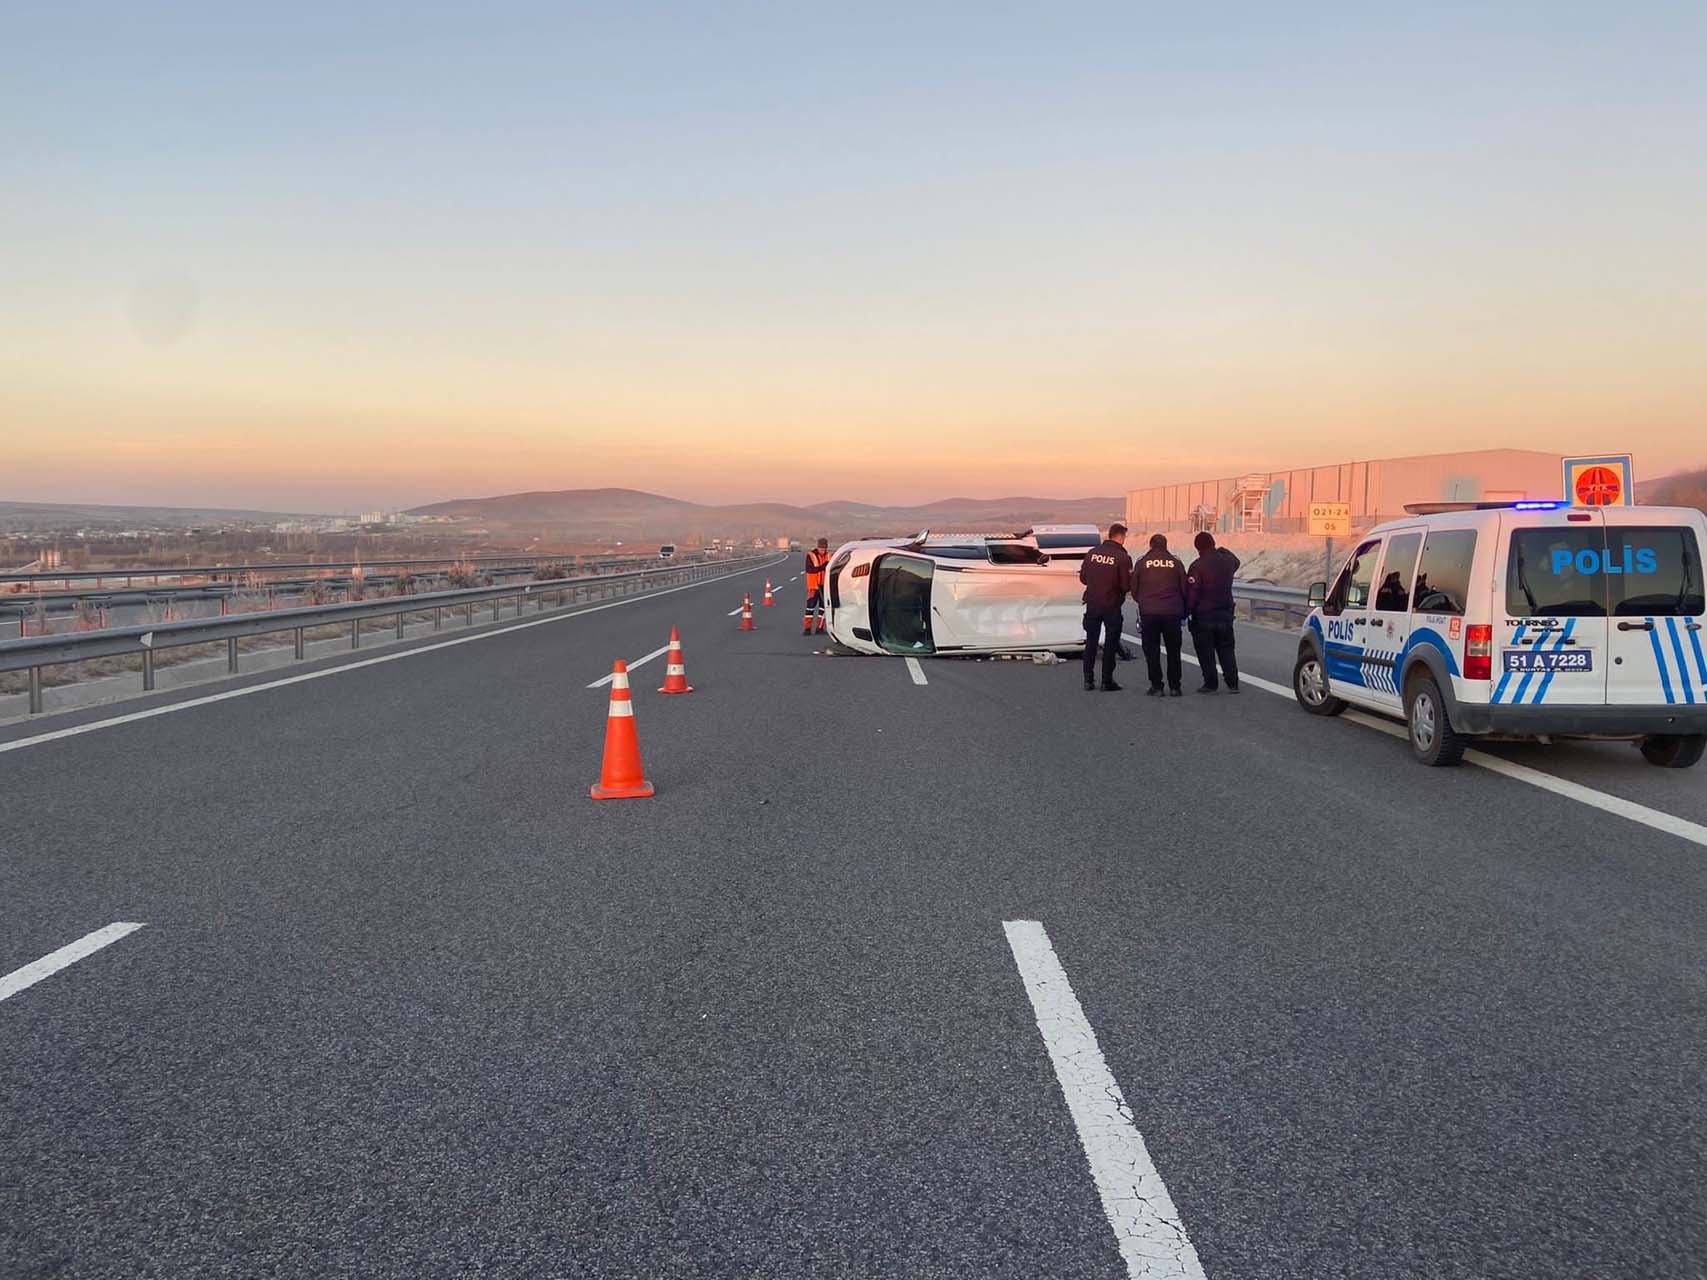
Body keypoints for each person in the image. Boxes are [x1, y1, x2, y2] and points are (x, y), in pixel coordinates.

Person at [1078, 523, 1132, 691]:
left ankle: (1088, 680)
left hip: (1093, 604)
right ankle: (1106, 681)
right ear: (1121, 537)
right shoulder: (1123, 558)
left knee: (1091, 642)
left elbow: (1084, 579)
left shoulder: (1092, 553)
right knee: (1110, 643)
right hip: (1111, 605)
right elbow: (1125, 585)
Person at [1133, 533, 1188, 696]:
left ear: (1150, 545)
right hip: (1172, 613)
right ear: (1166, 545)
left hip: (1149, 613)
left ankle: (1157, 686)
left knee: (1151, 650)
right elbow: (1184, 589)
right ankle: (1175, 687)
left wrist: (1144, 601)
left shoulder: (1142, 563)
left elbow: (1134, 589)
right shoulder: (1176, 562)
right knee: (1173, 651)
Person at [1185, 531, 1240, 693]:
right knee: (1227, 649)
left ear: (1197, 548)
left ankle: (1211, 683)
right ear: (1213, 543)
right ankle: (1233, 683)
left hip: (1204, 615)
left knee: (1205, 650)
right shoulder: (1227, 562)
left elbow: (1193, 593)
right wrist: (1224, 550)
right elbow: (1237, 561)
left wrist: (1187, 610)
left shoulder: (1197, 566)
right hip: (1225, 613)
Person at [803, 537, 831, 635]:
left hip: (825, 586)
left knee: (823, 607)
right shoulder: (810, 555)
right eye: (821, 549)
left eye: (824, 549)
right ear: (818, 547)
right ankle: (807, 629)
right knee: (810, 607)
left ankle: (820, 628)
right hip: (813, 586)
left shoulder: (829, 555)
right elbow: (810, 569)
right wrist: (823, 566)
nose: (823, 551)